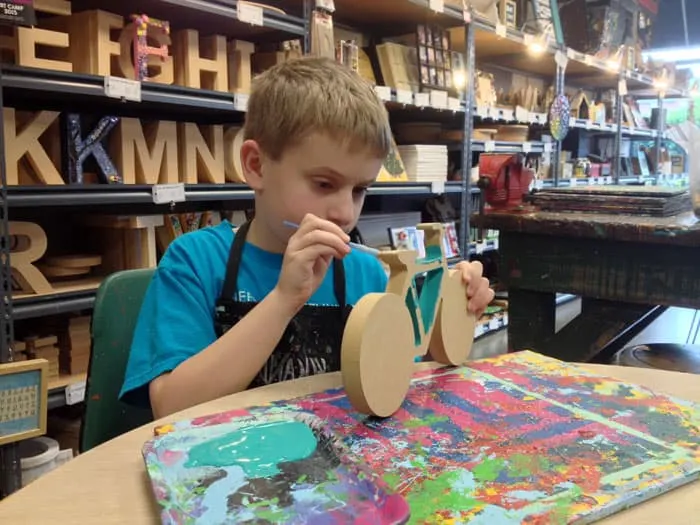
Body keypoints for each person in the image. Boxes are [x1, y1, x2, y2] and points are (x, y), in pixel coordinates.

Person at [119, 57, 495, 419]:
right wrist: (284, 299)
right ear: (256, 165)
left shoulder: (368, 275)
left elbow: (392, 386)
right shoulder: (196, 261)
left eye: (359, 190)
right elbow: (170, 408)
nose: (346, 212)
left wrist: (446, 319)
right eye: (324, 184)